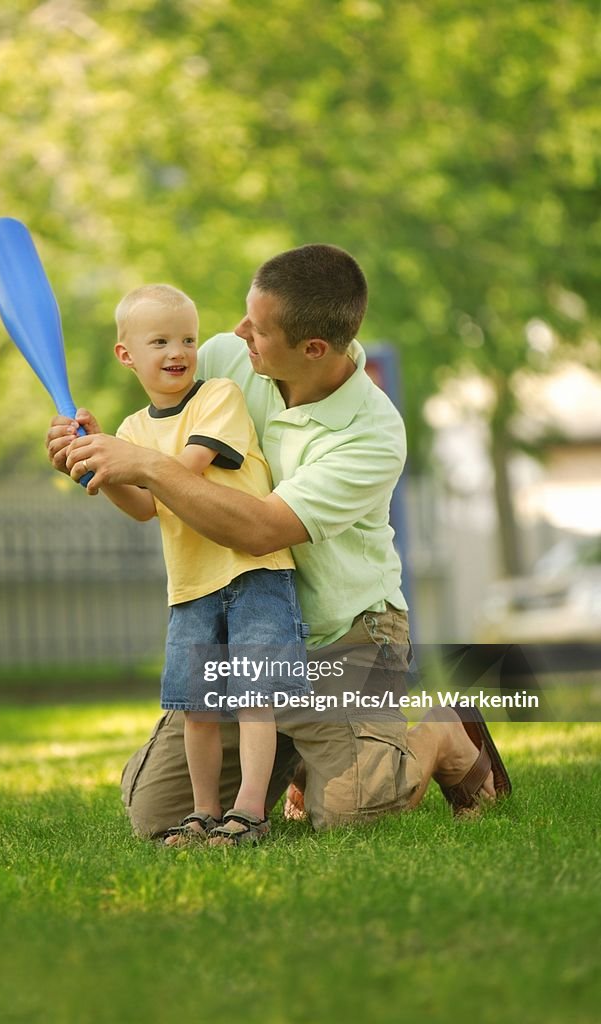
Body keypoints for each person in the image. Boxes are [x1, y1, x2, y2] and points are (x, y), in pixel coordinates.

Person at [47, 244, 511, 835]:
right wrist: (92, 454)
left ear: (313, 348)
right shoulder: (224, 358)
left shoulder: (372, 434)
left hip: (342, 633)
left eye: (259, 330)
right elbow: (155, 462)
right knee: (157, 814)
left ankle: (442, 733)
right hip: (237, 629)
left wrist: (143, 464)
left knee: (350, 813)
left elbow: (261, 526)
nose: (238, 333)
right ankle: (295, 753)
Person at [66, 282, 309, 846]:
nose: (177, 351)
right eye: (159, 341)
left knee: (253, 700)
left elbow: (184, 470)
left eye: (187, 339)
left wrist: (126, 460)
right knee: (198, 708)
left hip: (254, 572)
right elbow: (145, 506)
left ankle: (249, 810)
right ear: (127, 355)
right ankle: (204, 812)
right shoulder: (130, 431)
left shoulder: (218, 396)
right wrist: (93, 464)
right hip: (192, 586)